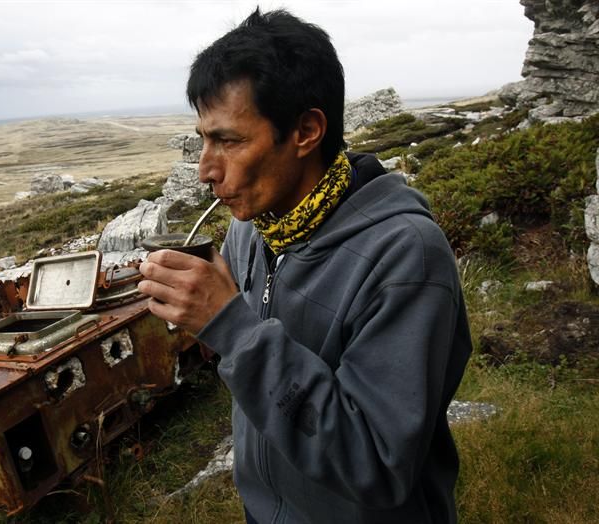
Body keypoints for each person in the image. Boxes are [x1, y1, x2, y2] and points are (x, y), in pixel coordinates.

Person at [138, 8, 472, 524]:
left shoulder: (406, 255)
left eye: (229, 140)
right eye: (203, 138)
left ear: (306, 131)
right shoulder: (252, 228)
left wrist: (231, 326)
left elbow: (378, 465)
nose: (205, 169)